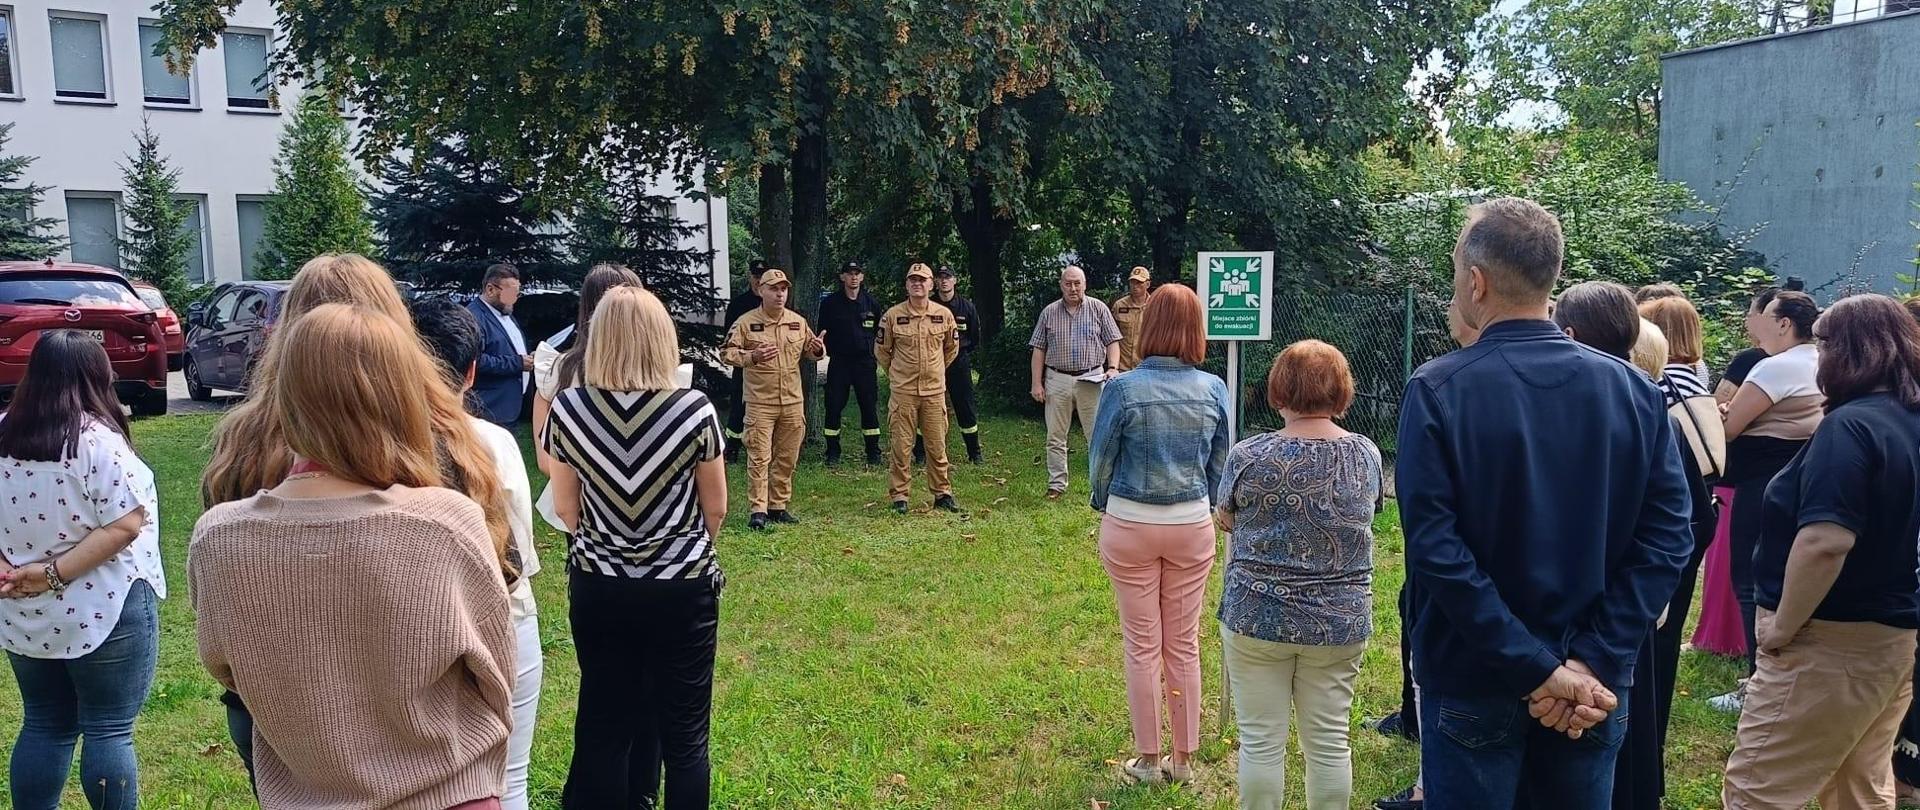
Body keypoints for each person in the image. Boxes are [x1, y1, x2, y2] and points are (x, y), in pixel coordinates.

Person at [1397, 198, 1692, 810]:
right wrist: (1590, 661)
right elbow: (1668, 537)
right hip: (1594, 681)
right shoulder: (1635, 389)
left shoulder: (1438, 388)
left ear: (1475, 282)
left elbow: (1435, 549)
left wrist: (1539, 668)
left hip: (1477, 674)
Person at [200, 253, 516, 785]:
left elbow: (226, 636)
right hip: (422, 717)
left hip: (290, 712)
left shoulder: (244, 442)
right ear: (394, 327)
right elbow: (492, 599)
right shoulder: (448, 438)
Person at [1722, 294, 1920, 809]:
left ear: (1850, 350)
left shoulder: (1851, 427)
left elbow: (1826, 540)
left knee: (1757, 791)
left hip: (1830, 640)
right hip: (1892, 634)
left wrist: (1783, 626)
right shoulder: (1906, 418)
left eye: (1824, 344)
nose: (1817, 356)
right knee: (1859, 785)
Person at [546, 286, 727, 809]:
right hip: (682, 589)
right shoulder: (694, 409)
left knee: (606, 726)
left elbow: (565, 508)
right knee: (686, 737)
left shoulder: (570, 408)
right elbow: (714, 508)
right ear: (660, 338)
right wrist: (680, 551)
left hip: (600, 584)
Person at [0, 331, 162, 810]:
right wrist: (54, 574)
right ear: (98, 377)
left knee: (44, 722)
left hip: (24, 611)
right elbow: (127, 523)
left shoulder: (3, 431)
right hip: (104, 609)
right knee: (109, 729)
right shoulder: (98, 443)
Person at [1217, 339, 1379, 810]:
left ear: (1279, 391)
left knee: (1261, 743)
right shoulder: (1365, 456)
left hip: (1255, 618)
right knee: (1329, 744)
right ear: (1341, 393)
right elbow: (1370, 511)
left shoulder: (1248, 455)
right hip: (1338, 623)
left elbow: (1225, 518)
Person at [1087, 284, 1229, 787]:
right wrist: (1207, 506)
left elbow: (1100, 461)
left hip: (1130, 522)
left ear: (1148, 326)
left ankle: (1148, 761)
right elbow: (1221, 466)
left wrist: (1104, 504)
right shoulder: (1214, 388)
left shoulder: (1122, 388)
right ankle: (1185, 760)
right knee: (1184, 644)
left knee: (1142, 645)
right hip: (1191, 524)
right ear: (1197, 331)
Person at [411, 298, 546, 810]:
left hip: (412, 626)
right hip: (503, 618)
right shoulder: (493, 443)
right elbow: (519, 558)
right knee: (509, 777)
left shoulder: (370, 450)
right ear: (471, 372)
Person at [1711, 289, 1823, 713]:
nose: (1753, 323)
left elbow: (1728, 428)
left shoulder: (1775, 368)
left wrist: (1723, 414)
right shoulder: (1820, 362)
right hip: (1802, 483)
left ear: (1783, 324)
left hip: (1761, 486)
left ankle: (1756, 683)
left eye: (1765, 315)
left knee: (1750, 582)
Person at [722, 269, 824, 530]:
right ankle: (758, 509)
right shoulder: (746, 323)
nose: (779, 294)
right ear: (761, 291)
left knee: (787, 456)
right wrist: (751, 358)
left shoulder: (797, 322)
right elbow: (727, 353)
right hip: (760, 402)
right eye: (774, 289)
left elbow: (812, 352)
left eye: (783, 289)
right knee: (759, 456)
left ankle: (778, 505)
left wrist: (818, 350)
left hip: (791, 401)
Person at [1029, 265, 1123, 499]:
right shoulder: (1049, 312)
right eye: (1068, 283)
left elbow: (1113, 341)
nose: (1073, 288)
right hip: (1057, 379)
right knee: (1055, 436)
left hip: (1091, 379)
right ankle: (1056, 485)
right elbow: (1038, 349)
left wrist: (1112, 368)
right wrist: (1036, 383)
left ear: (1085, 284)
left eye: (1077, 283)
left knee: (1098, 436)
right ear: (1061, 285)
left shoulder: (1098, 309)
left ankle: (1100, 486)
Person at [877, 263, 962, 514]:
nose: (917, 283)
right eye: (912, 280)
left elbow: (951, 348)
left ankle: (942, 493)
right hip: (904, 392)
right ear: (906, 285)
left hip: (934, 392)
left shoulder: (943, 315)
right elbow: (882, 351)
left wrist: (935, 371)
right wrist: (897, 373)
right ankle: (900, 496)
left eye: (922, 280)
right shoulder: (892, 316)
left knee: (937, 446)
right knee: (901, 447)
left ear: (931, 284)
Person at [818, 260, 885, 466]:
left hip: (865, 363)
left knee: (869, 407)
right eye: (849, 273)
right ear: (842, 277)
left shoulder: (872, 304)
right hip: (840, 362)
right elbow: (823, 332)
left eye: (857, 273)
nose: (853, 277)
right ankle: (832, 452)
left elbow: (879, 335)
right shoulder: (830, 304)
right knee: (834, 406)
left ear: (862, 277)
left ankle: (873, 452)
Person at [931, 264, 985, 464]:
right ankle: (920, 453)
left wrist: (959, 353)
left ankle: (974, 453)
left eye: (948, 277)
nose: (944, 280)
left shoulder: (967, 307)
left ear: (955, 281)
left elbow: (974, 337)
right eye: (941, 277)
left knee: (965, 406)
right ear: (935, 282)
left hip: (959, 362)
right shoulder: (929, 305)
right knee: (928, 406)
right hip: (933, 361)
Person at [468, 262, 534, 426]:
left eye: (517, 294)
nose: (514, 299)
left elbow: (509, 346)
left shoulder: (505, 312)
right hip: (490, 409)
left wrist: (529, 357)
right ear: (490, 289)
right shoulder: (474, 317)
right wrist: (518, 363)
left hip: (511, 405)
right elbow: (475, 361)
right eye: (510, 293)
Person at [722, 259, 769, 461]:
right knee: (738, 409)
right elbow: (728, 340)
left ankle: (764, 447)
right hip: (745, 365)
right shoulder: (739, 305)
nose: (759, 281)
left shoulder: (774, 303)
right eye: (756, 276)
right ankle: (732, 448)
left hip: (769, 369)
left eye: (762, 277)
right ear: (751, 277)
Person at [1112, 266, 1152, 372]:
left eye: (1139, 283)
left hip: (1146, 367)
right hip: (1122, 367)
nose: (1135, 286)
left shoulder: (1155, 306)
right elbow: (1111, 335)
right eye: (1132, 282)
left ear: (1147, 284)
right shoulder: (1119, 306)